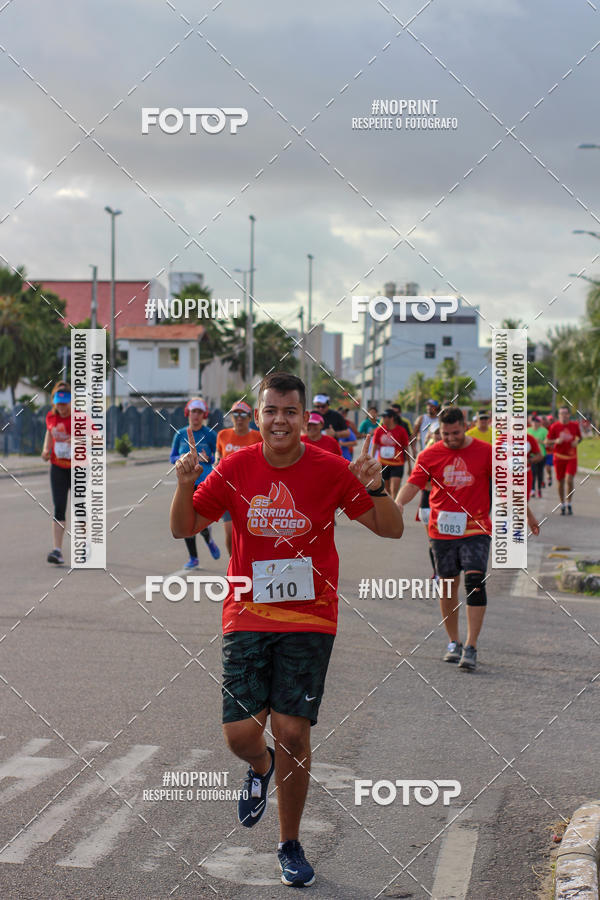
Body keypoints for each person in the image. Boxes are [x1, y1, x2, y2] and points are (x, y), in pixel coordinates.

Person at [170, 372, 403, 888]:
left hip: (311, 616)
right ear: (258, 416)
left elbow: (391, 528)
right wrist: (185, 484)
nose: (280, 420)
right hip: (246, 614)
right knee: (240, 736)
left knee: (294, 730)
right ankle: (259, 766)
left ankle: (289, 842)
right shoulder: (235, 468)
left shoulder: (331, 469)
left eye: (290, 411)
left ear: (304, 418)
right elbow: (183, 527)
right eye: (271, 410)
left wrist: (373, 485)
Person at [396, 406, 492, 672]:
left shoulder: (485, 452)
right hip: (442, 530)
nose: (450, 438)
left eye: (455, 433)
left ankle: (471, 646)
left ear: (465, 425)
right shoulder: (430, 454)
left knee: (475, 580)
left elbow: (507, 485)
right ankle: (454, 642)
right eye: (445, 434)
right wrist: (399, 502)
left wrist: (526, 516)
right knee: (448, 586)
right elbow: (413, 484)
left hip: (477, 527)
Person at [170, 398, 220, 566]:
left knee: (200, 521)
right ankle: (193, 558)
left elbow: (217, 456)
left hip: (205, 482)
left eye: (199, 412)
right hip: (186, 484)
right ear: (188, 413)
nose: (196, 415)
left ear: (204, 415)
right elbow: (172, 457)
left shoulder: (211, 434)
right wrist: (184, 458)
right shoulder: (180, 434)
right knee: (185, 520)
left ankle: (208, 539)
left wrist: (209, 457)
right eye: (193, 411)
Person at [215, 400, 263, 555]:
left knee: (250, 535)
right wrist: (216, 460)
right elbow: (219, 453)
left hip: (251, 493)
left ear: (250, 417)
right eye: (235, 414)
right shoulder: (223, 435)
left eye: (243, 414)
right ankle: (233, 567)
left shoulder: (257, 436)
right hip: (228, 492)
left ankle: (251, 565)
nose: (239, 417)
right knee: (229, 535)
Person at [41, 381, 72, 564]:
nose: (61, 407)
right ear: (54, 402)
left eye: (64, 404)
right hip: (58, 468)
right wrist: (46, 450)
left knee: (80, 509)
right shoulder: (51, 417)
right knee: (59, 507)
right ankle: (57, 550)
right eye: (58, 404)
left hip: (79, 469)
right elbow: (49, 433)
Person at [546, 406, 582, 515]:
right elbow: (546, 441)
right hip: (559, 457)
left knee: (569, 480)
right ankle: (562, 503)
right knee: (560, 482)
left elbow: (580, 438)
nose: (563, 415)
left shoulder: (574, 426)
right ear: (559, 415)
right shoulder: (554, 427)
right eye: (561, 413)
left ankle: (569, 503)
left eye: (565, 413)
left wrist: (577, 442)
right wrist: (555, 440)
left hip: (571, 458)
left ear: (569, 415)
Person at [372, 408, 409, 499]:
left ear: (392, 418)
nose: (383, 419)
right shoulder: (379, 430)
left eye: (385, 417)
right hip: (383, 464)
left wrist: (410, 466)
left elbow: (406, 448)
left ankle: (394, 509)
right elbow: (375, 446)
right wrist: (372, 461)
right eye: (383, 417)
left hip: (397, 464)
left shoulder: (401, 430)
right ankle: (389, 509)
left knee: (394, 490)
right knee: (386, 489)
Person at [528, 416, 548, 497]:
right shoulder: (528, 430)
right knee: (533, 472)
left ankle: (539, 489)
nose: (535, 423)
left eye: (537, 421)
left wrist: (541, 441)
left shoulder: (544, 431)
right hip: (531, 456)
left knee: (540, 473)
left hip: (541, 455)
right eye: (533, 421)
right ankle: (532, 490)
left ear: (540, 423)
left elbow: (547, 443)